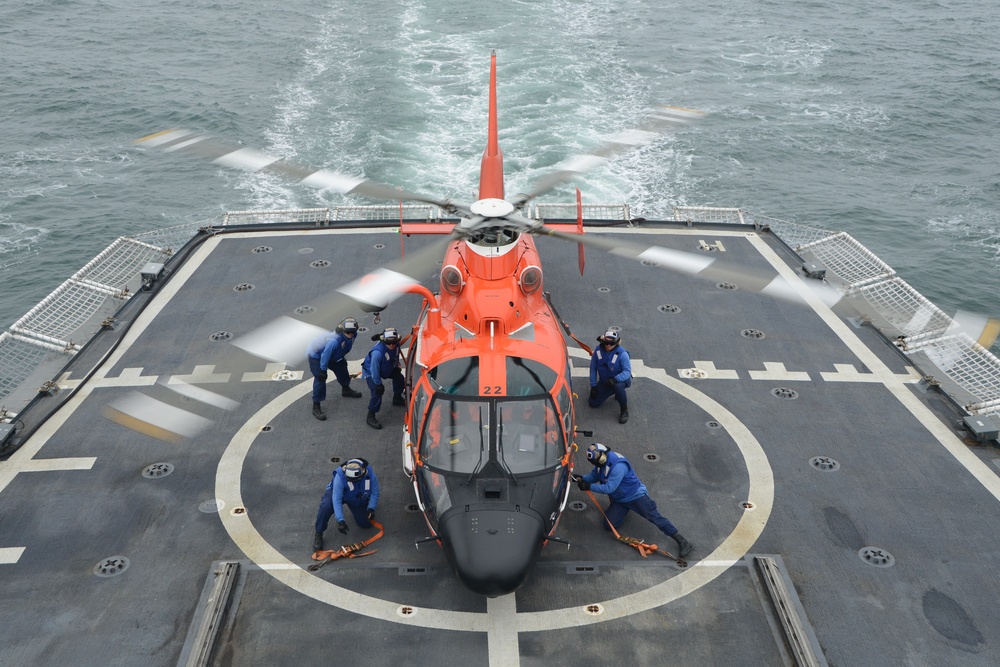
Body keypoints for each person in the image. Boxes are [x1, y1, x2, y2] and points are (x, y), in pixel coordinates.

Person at [574, 442, 692, 558]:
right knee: (609, 526)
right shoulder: (600, 463)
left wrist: (589, 486)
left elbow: (609, 488)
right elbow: (595, 475)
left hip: (635, 496)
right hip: (619, 499)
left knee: (653, 516)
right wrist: (582, 478)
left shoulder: (618, 466)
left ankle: (681, 540)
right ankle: (625, 509)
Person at [313, 458, 380, 552]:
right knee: (325, 507)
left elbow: (374, 492)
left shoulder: (370, 474)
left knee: (365, 524)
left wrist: (371, 508)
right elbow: (336, 499)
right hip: (338, 493)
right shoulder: (340, 477)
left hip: (355, 497)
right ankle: (318, 533)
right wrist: (340, 520)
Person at [306, 317, 362, 421]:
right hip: (317, 356)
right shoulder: (334, 341)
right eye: (348, 332)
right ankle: (316, 405)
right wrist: (323, 370)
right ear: (343, 331)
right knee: (320, 378)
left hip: (334, 356)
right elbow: (325, 355)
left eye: (352, 332)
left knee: (342, 369)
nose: (350, 335)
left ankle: (346, 389)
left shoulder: (353, 335)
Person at [361, 327, 406, 430]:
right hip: (372, 372)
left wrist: (395, 367)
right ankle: (371, 415)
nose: (391, 345)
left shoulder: (396, 345)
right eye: (388, 343)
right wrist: (378, 383)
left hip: (386, 366)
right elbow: (374, 370)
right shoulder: (377, 353)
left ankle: (397, 398)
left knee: (399, 378)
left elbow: (395, 355)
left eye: (394, 342)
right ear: (383, 341)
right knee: (377, 392)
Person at [588, 328, 632, 424]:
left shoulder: (622, 354)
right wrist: (593, 386)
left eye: (611, 343)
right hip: (605, 381)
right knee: (593, 402)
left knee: (618, 388)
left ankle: (624, 410)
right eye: (606, 343)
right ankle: (612, 391)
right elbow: (593, 368)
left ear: (616, 343)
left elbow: (627, 372)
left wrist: (615, 379)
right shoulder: (598, 351)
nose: (608, 345)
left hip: (619, 381)